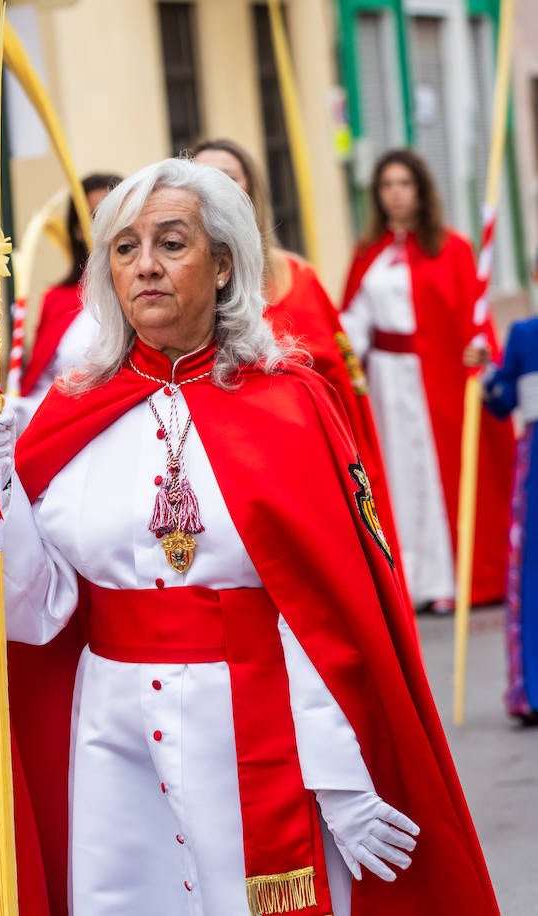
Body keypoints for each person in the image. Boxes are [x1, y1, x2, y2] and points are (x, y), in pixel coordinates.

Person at [0, 158, 498, 915]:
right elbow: (35, 611)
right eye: (125, 249)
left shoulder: (291, 404)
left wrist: (342, 774)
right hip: (110, 734)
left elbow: (321, 610)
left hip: (261, 728)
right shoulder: (66, 411)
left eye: (171, 243)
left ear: (224, 264)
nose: (146, 267)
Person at [191, 138, 401, 586]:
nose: (215, 188)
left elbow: (340, 385)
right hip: (227, 485)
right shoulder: (186, 296)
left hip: (308, 477)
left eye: (227, 176)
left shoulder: (299, 279)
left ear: (249, 189)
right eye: (201, 179)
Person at [340, 149, 514, 612]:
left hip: (437, 380)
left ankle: (451, 580)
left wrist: (481, 360)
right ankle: (408, 579)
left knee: (440, 477)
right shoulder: (367, 254)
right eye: (386, 185)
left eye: (404, 184)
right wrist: (343, 354)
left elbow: (470, 318)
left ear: (421, 190)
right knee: (395, 474)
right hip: (386, 384)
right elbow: (352, 320)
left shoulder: (450, 247)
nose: (395, 194)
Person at [472, 251, 538, 723]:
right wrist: (486, 372)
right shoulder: (524, 336)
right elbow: (502, 402)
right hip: (534, 470)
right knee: (532, 576)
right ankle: (532, 688)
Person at [16, 173, 122, 425]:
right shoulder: (57, 300)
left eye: (116, 214)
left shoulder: (149, 293)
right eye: (95, 217)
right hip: (60, 426)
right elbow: (40, 386)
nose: (108, 227)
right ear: (77, 231)